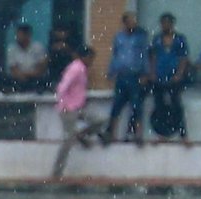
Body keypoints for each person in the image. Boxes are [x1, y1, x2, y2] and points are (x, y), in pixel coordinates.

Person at [52, 46, 102, 178]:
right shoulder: (76, 68)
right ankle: (57, 172)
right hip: (68, 109)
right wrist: (62, 104)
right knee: (67, 141)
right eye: (91, 58)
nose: (92, 61)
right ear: (85, 57)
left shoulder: (82, 69)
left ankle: (79, 135)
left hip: (77, 108)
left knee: (98, 121)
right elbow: (63, 86)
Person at [102, 13, 149, 144]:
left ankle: (138, 135)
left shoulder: (140, 38)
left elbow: (144, 55)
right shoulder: (119, 37)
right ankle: (110, 133)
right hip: (122, 75)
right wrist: (111, 72)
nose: (133, 23)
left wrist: (145, 73)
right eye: (130, 21)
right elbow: (115, 55)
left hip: (135, 75)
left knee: (136, 106)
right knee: (117, 105)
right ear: (125, 23)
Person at [147, 13, 190, 145]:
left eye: (167, 23)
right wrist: (152, 73)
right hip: (159, 77)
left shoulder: (180, 39)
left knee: (177, 106)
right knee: (159, 106)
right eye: (163, 23)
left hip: (174, 78)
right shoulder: (157, 39)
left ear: (172, 24)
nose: (165, 25)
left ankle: (183, 135)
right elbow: (153, 57)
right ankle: (162, 134)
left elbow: (184, 58)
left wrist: (179, 74)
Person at [1, 23, 48, 92]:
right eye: (17, 34)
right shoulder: (11, 49)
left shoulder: (38, 47)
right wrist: (23, 76)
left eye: (20, 35)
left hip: (34, 79)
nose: (17, 37)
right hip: (17, 79)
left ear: (28, 35)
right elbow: (13, 70)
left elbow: (40, 69)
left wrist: (28, 75)